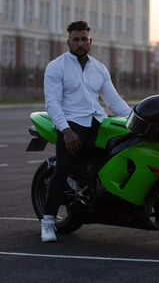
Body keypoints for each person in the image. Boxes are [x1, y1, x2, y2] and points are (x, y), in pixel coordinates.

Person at [41, 20, 131, 242]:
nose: (80, 43)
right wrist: (66, 131)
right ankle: (48, 221)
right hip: (72, 124)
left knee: (120, 155)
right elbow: (52, 103)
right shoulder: (56, 66)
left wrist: (133, 120)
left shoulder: (99, 68)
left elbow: (114, 100)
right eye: (76, 39)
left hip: (98, 123)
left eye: (84, 39)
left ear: (90, 41)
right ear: (68, 41)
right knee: (63, 169)